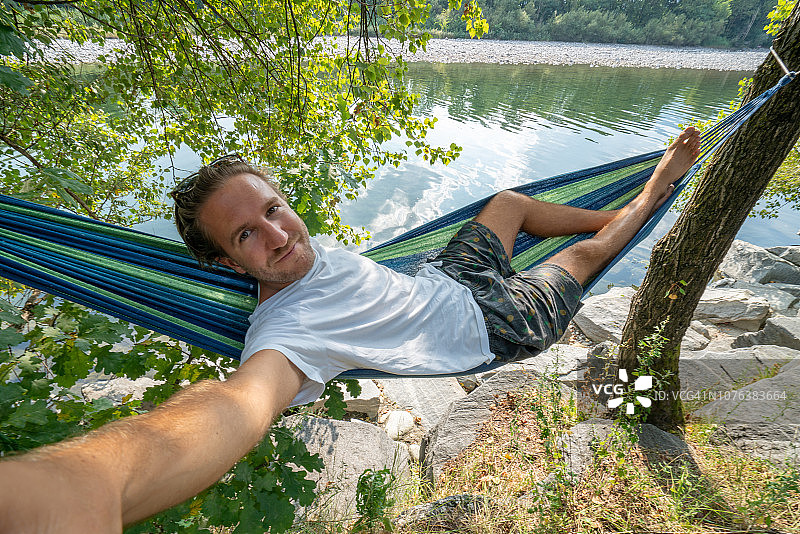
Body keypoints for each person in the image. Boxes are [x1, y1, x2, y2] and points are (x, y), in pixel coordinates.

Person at [0, 127, 701, 532]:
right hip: (495, 326)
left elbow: (356, 271)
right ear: (222, 261)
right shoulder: (285, 331)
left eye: (274, 209)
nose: (278, 235)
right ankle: (649, 196)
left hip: (443, 275)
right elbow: (241, 403)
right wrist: (95, 480)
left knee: (508, 203)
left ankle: (614, 213)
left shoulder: (296, 248)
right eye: (248, 234)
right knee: (585, 257)